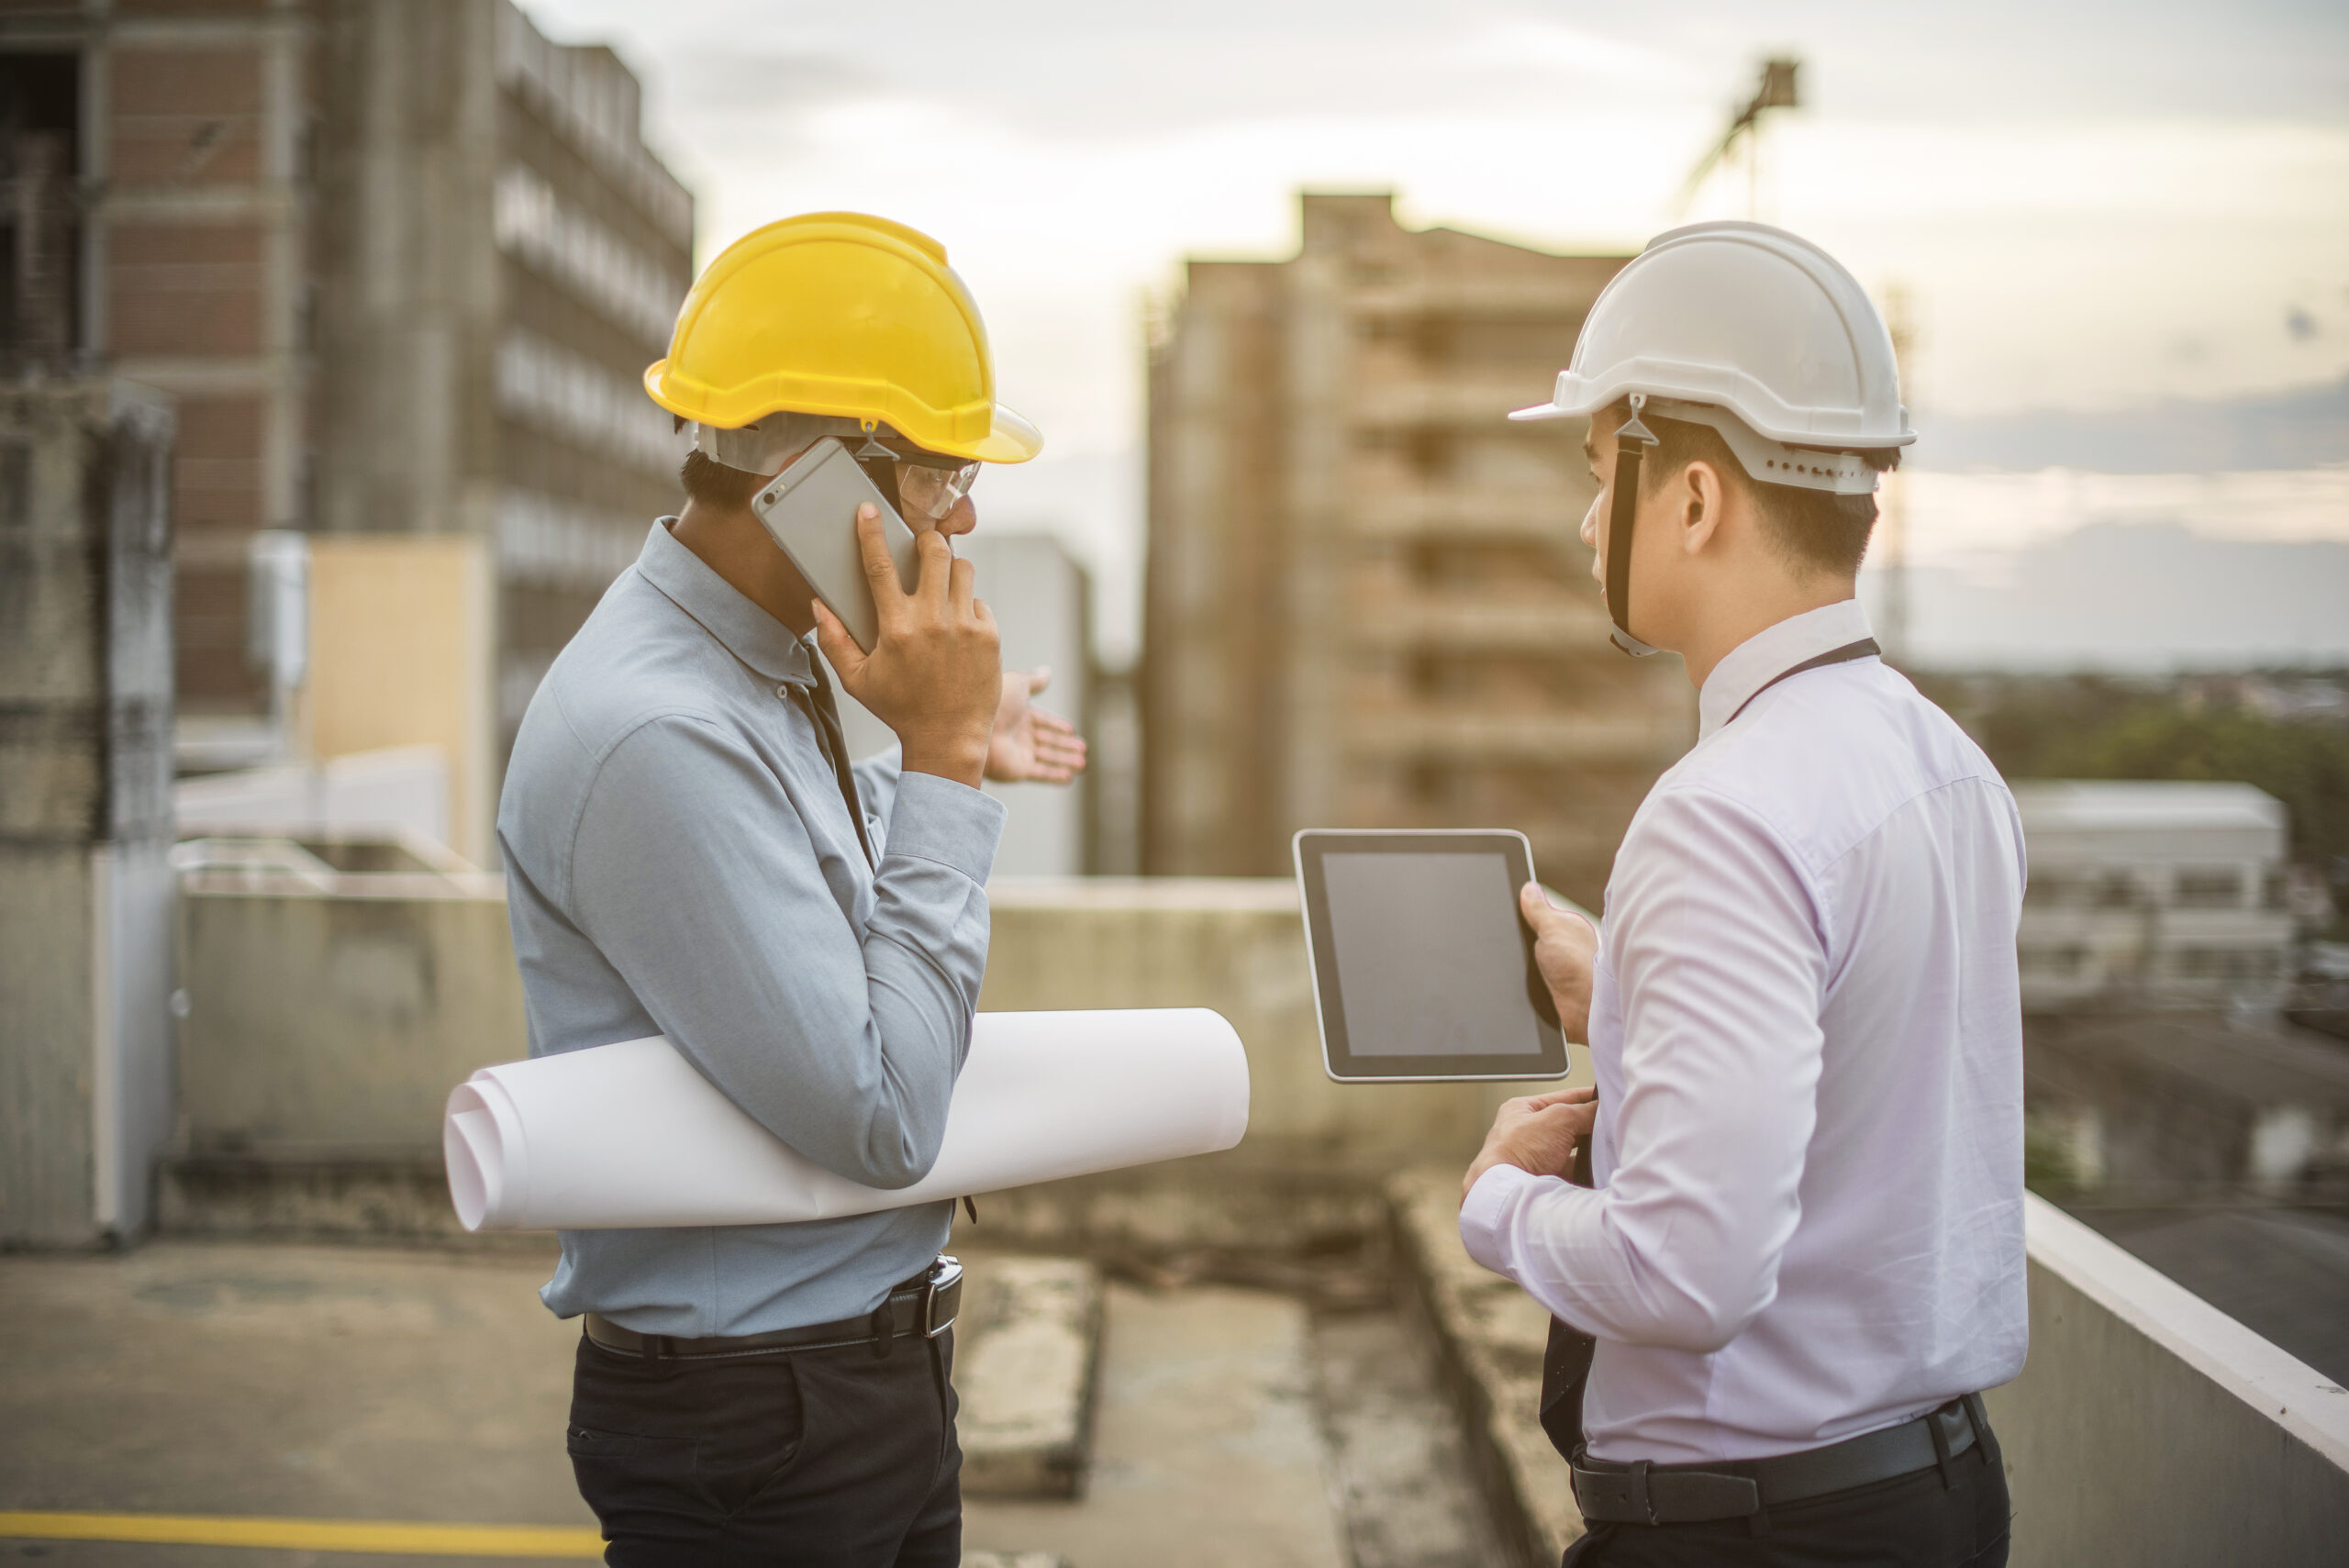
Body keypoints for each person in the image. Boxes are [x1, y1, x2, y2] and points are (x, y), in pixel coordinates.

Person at [497, 211, 1084, 1567]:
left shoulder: (748, 669)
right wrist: (939, 763)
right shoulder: (660, 730)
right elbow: (880, 1112)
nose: (966, 510)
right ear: (829, 483)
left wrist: (923, 768)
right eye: (941, 470)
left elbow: (782, 859)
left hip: (828, 1391)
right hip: (761, 1420)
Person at [1456, 221, 2026, 1567]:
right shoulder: (1949, 768)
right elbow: (1863, 1076)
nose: (1590, 518)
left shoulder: (1722, 812)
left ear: (1697, 500)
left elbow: (1685, 1268)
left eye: (1603, 474)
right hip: (1934, 1495)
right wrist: (1638, 1005)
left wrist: (1493, 1204)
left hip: (1756, 1532)